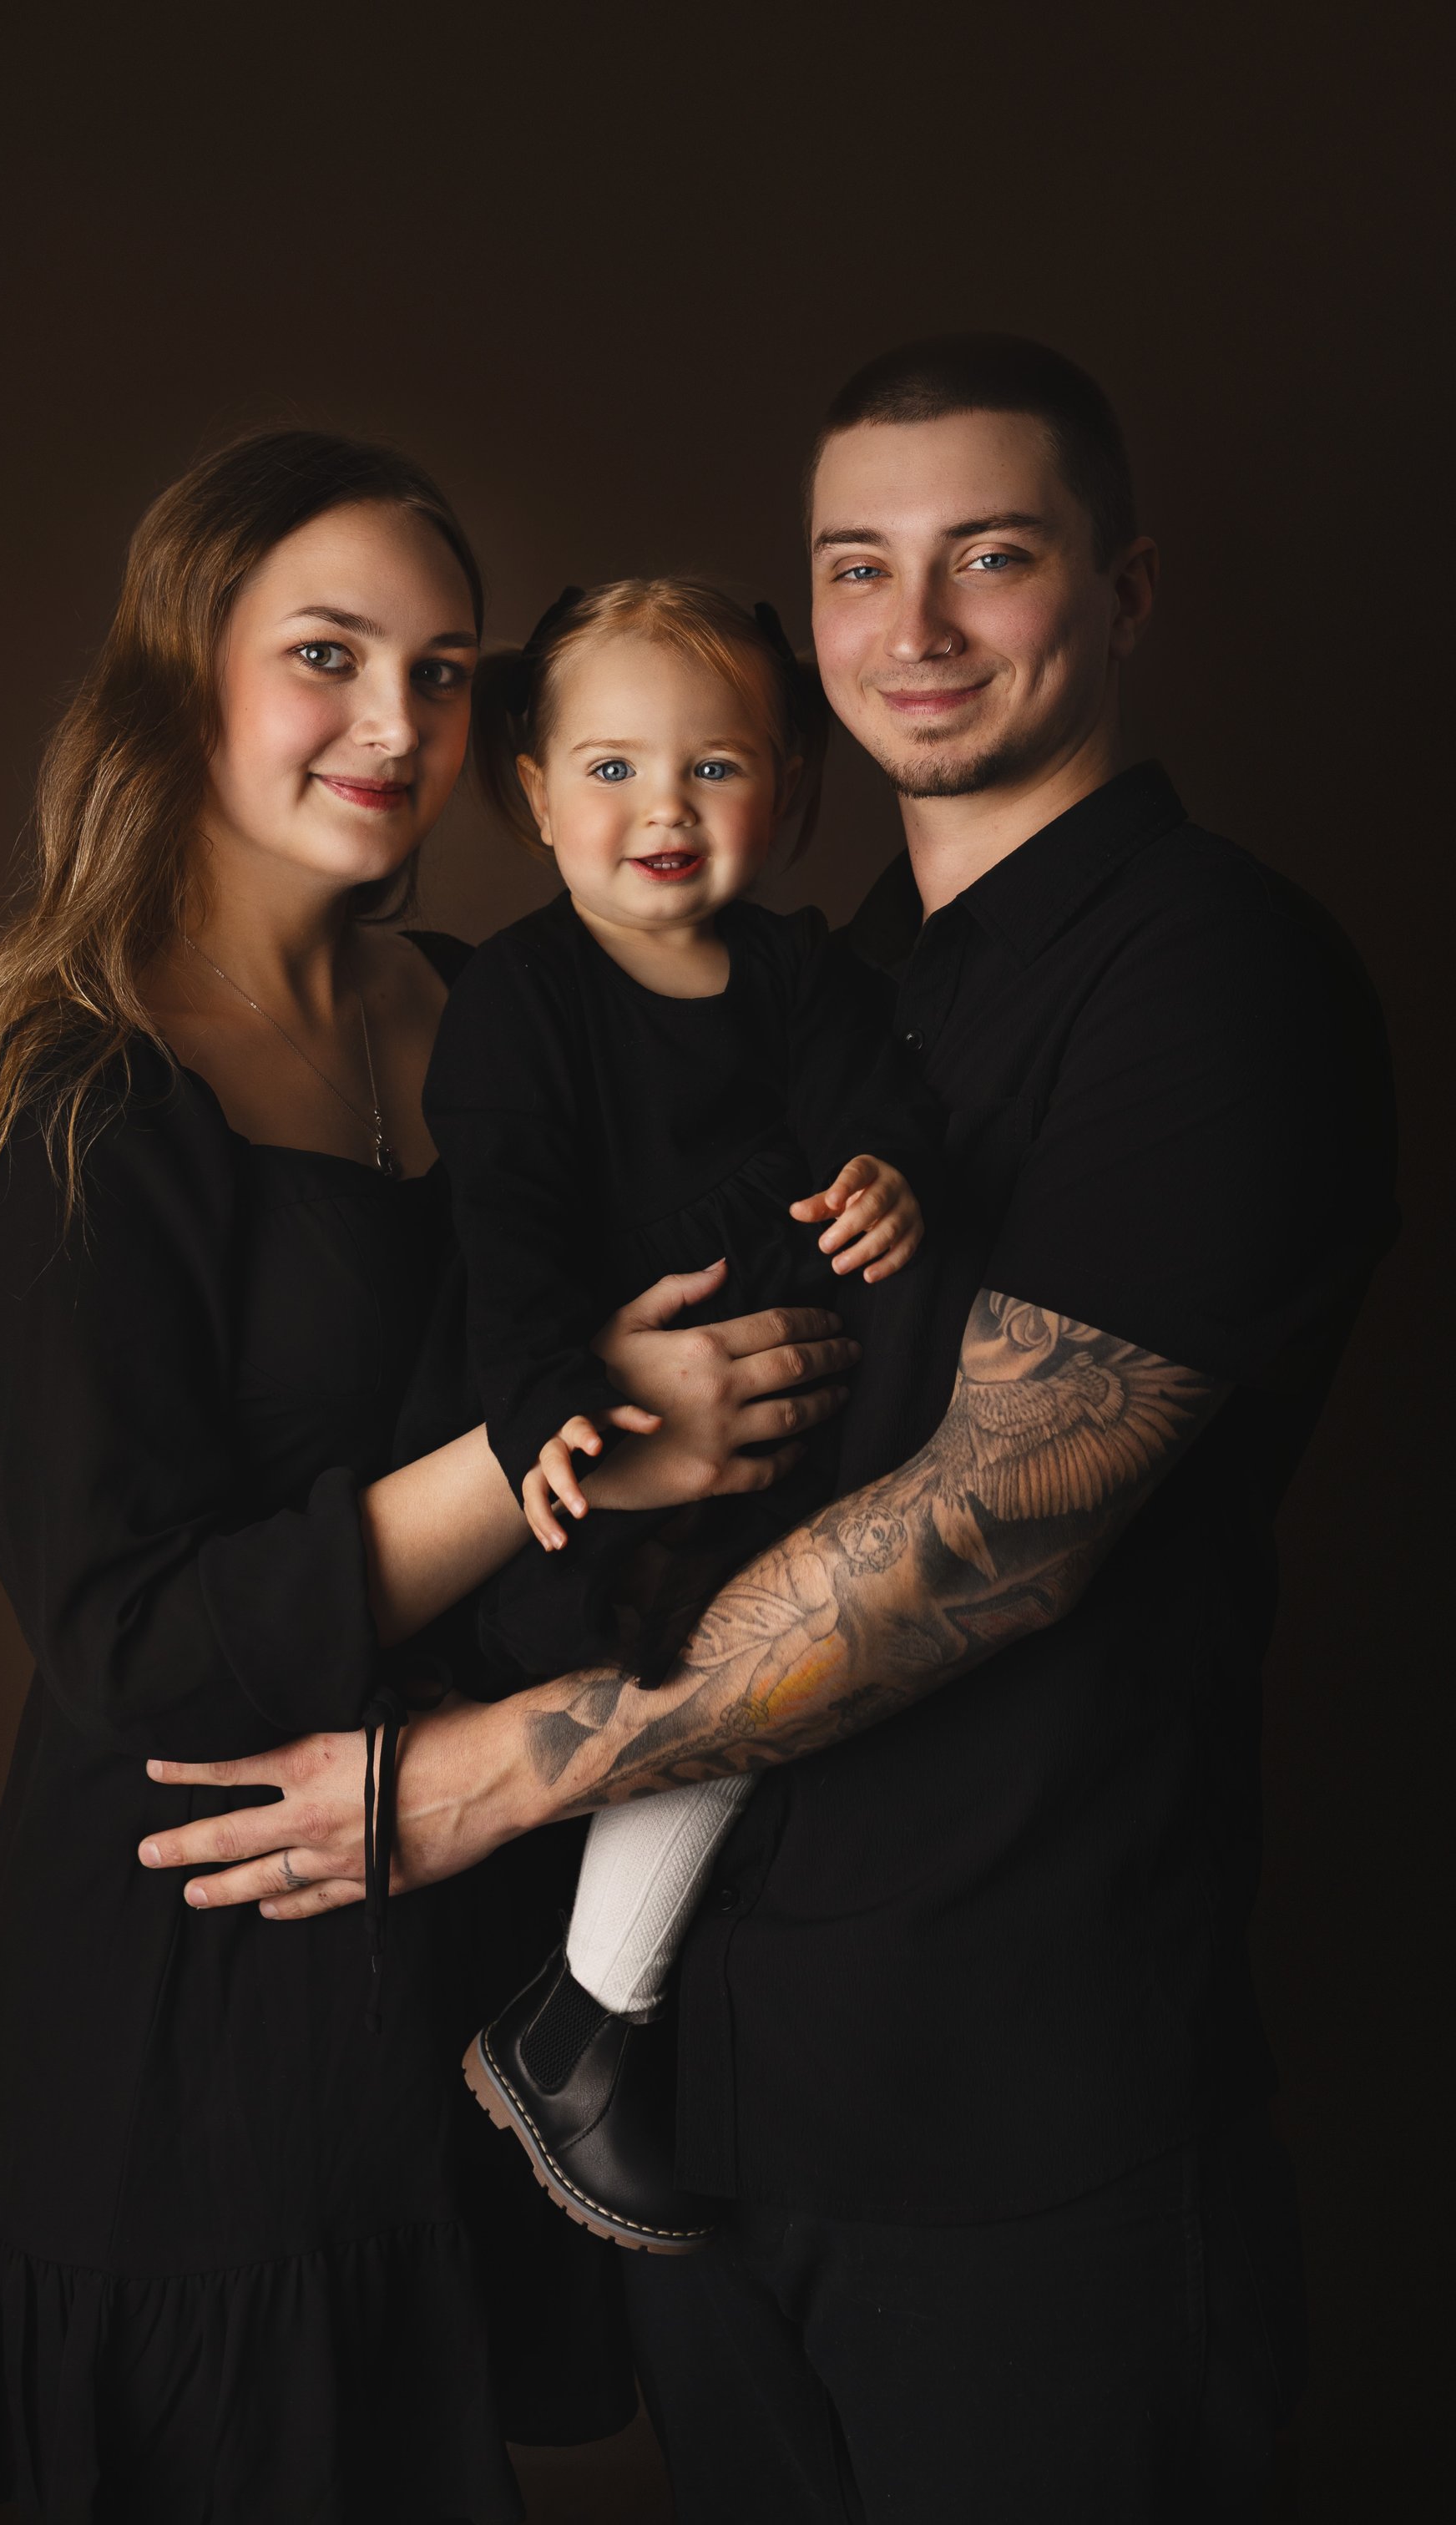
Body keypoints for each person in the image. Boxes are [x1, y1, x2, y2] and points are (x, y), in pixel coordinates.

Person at [137, 336, 1398, 2521]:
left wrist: (468, 1783)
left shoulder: (1209, 978)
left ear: (1124, 592)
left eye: (988, 558)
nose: (910, 631)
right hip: (711, 2106)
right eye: (852, 567)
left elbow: (984, 1543)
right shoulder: (829, 983)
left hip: (1015, 2122)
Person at [0, 428, 860, 2525]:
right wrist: (571, 1446)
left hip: (457, 1896)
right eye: (325, 656)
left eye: (443, 673)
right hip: (199, 1938)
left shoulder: (482, 1012)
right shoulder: (81, 1100)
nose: (394, 724)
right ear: (182, 677)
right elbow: (130, 1641)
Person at [422, 578, 933, 2252]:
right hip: (625, 1460)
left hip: (796, 1429)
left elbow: (869, 1107)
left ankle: (631, 2038)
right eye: (611, 771)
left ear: (787, 791)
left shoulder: (795, 975)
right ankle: (575, 2025)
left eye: (712, 771)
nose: (661, 814)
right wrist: (552, 1415)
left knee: (833, 1696)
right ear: (530, 792)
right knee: (720, 1698)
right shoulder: (522, 999)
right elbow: (497, 1237)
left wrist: (881, 1179)